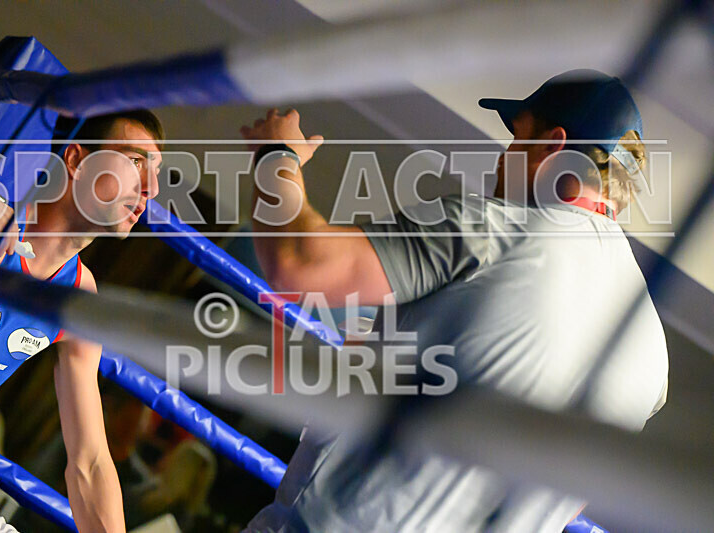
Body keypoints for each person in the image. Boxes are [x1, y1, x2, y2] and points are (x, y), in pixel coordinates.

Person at [240, 70, 669, 532]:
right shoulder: (653, 357)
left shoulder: (493, 227)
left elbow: (298, 263)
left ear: (551, 147)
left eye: (516, 139)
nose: (500, 163)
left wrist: (276, 156)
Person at [0, 109, 163, 532]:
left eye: (156, 171)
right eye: (134, 162)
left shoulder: (79, 295)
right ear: (76, 160)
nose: (149, 188)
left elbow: (90, 462)